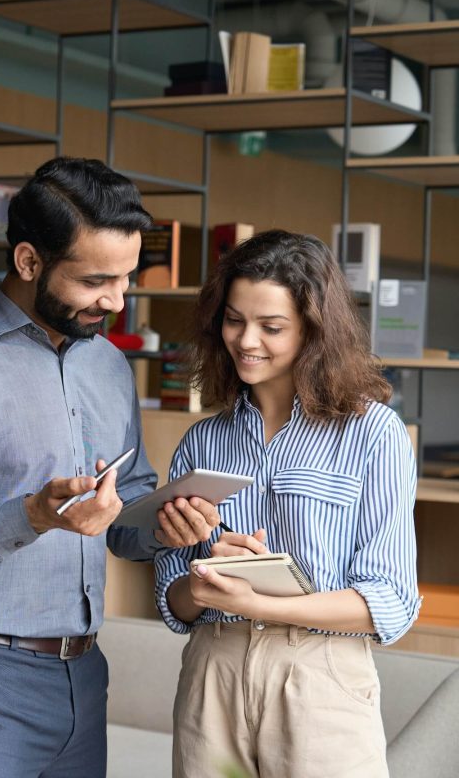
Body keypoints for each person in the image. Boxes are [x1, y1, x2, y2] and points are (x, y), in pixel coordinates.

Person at [0, 156, 219, 778]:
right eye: (95, 281)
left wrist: (167, 525)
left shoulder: (106, 363)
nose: (116, 300)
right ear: (29, 262)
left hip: (83, 676)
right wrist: (28, 515)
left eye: (127, 278)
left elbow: (123, 516)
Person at [154, 229, 421, 778]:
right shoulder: (203, 442)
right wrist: (201, 582)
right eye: (234, 320)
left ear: (315, 331)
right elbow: (173, 601)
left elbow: (388, 600)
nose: (246, 340)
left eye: (272, 327)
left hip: (320, 674)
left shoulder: (374, 434)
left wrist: (260, 604)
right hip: (214, 671)